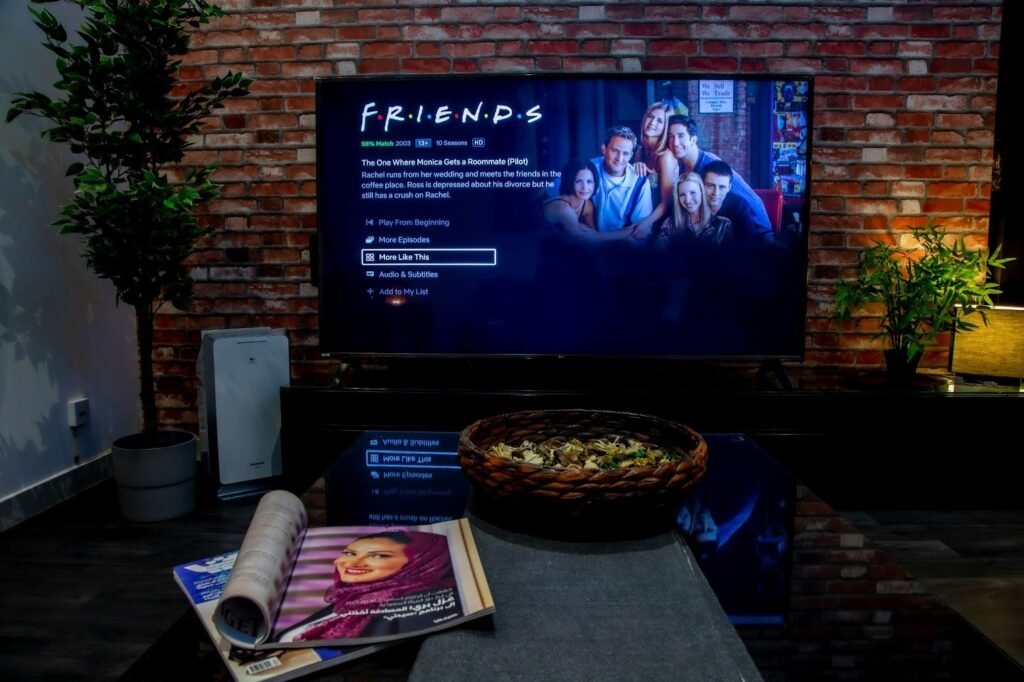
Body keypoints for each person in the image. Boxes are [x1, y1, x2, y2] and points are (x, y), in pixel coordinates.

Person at [276, 530, 460, 642]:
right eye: (350, 553)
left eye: (378, 555)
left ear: (419, 562)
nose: (352, 562)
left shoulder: (421, 607)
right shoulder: (349, 601)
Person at [665, 115, 773, 247]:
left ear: (693, 139)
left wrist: (767, 233)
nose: (675, 142)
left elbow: (750, 198)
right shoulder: (678, 166)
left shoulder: (710, 164)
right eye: (671, 136)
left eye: (681, 136)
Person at [543, 159, 630, 244]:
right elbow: (583, 238)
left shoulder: (587, 205)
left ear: (595, 182)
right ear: (570, 182)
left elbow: (593, 237)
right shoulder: (564, 209)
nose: (585, 188)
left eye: (589, 181)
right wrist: (625, 233)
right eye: (578, 181)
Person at [629, 102, 680, 241]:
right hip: (640, 212)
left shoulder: (665, 156)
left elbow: (667, 202)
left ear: (665, 127)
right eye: (650, 117)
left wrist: (645, 224)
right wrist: (635, 169)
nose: (652, 122)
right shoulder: (640, 152)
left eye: (659, 121)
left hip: (661, 220)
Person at [590, 125, 653, 234]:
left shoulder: (640, 182)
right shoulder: (588, 169)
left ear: (631, 155)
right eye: (615, 150)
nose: (619, 159)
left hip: (624, 241)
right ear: (604, 149)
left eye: (626, 153)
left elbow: (641, 231)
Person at [657, 172, 733, 249]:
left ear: (701, 192)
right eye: (682, 195)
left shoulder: (723, 225)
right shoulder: (670, 224)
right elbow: (657, 252)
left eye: (692, 192)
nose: (688, 200)